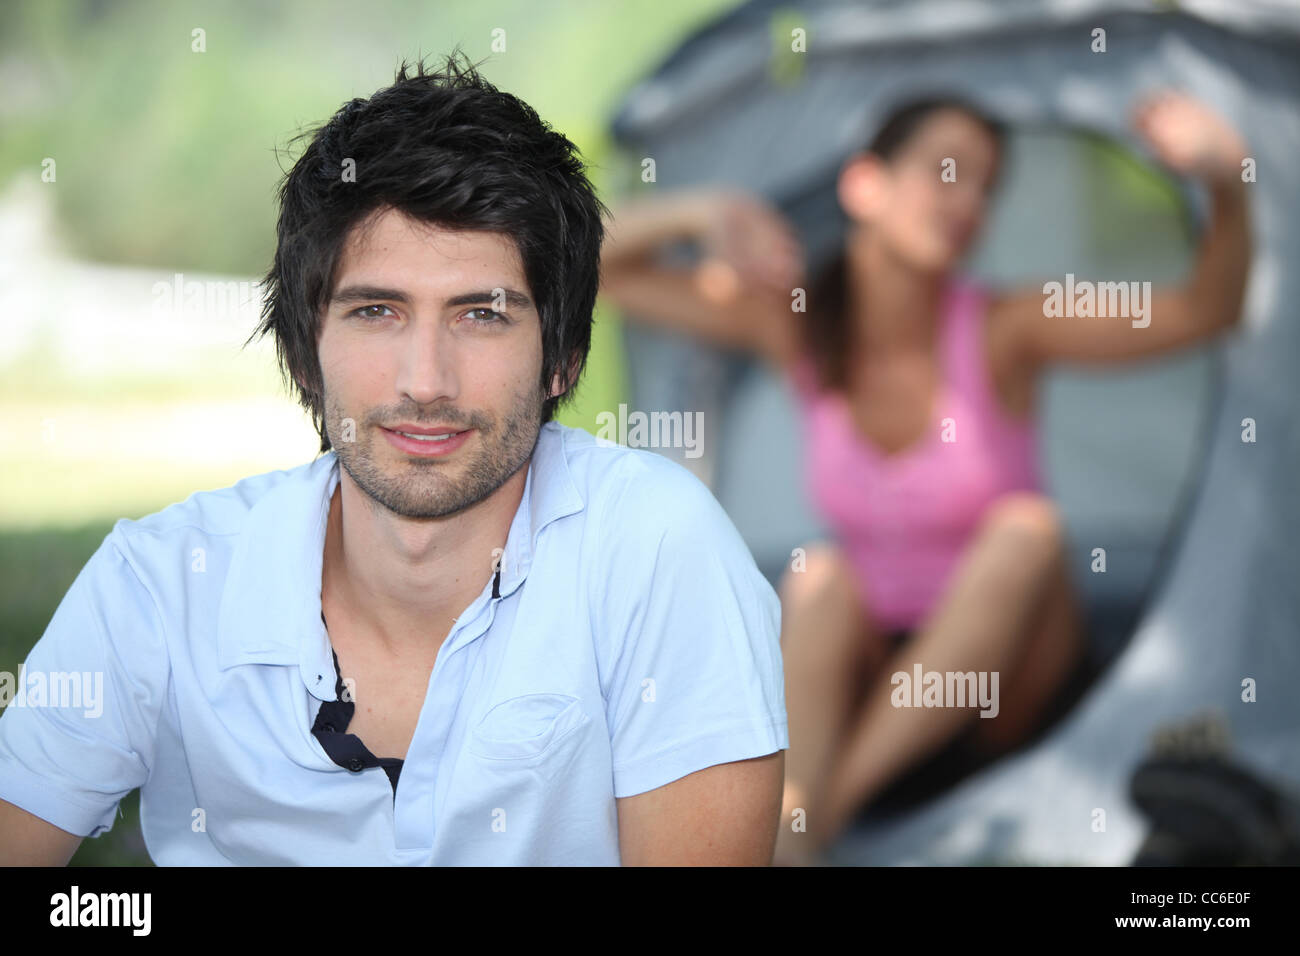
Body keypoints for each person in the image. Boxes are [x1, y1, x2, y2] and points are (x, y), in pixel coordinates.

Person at [0, 51, 788, 866]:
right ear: (305, 355)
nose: (425, 383)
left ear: (564, 359)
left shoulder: (659, 550)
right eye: (376, 311)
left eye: (482, 315)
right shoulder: (160, 587)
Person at [599, 89, 1252, 864]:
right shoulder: (800, 320)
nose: (971, 200)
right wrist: (698, 212)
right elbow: (591, 270)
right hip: (878, 672)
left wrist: (1227, 182)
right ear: (863, 185)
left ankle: (810, 822)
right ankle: (798, 811)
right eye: (948, 171)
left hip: (1006, 691)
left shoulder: (1009, 325)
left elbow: (1203, 310)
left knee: (1025, 531)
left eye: (987, 185)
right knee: (820, 572)